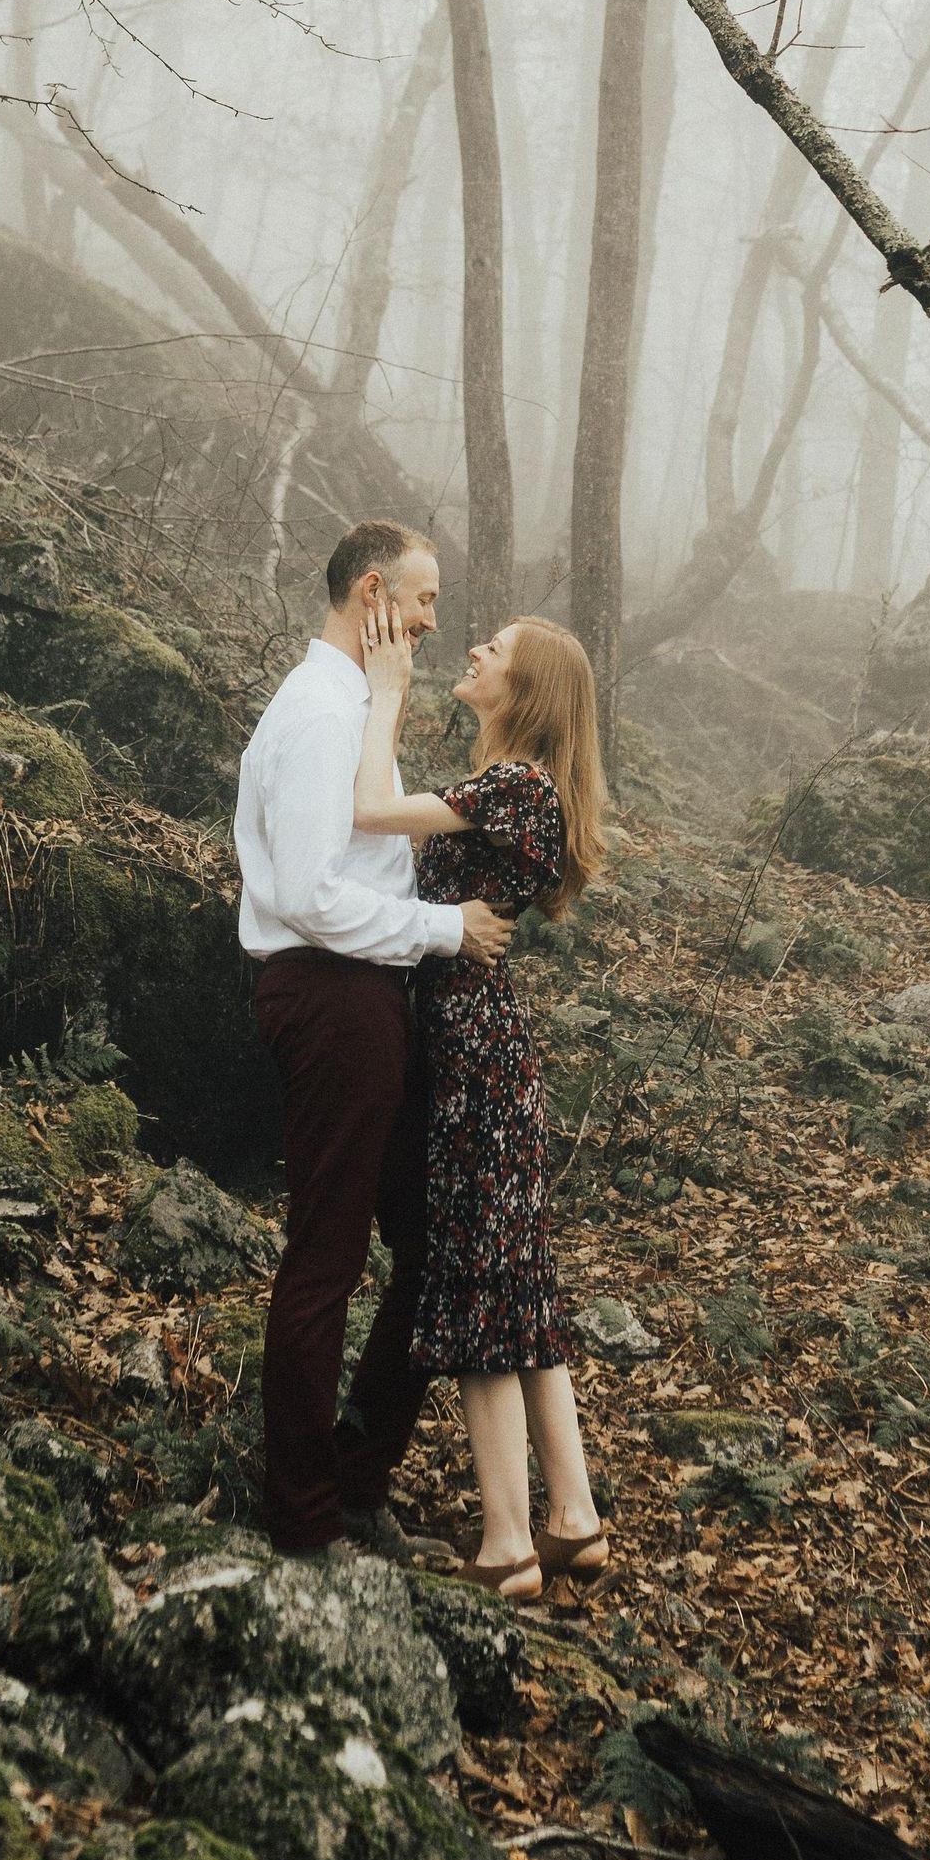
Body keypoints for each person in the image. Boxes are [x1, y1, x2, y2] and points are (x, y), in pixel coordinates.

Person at [234, 519, 513, 1558]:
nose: (435, 620)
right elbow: (311, 895)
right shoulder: (318, 712)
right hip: (332, 996)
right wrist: (447, 928)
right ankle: (306, 1522)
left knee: (431, 1245)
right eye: (423, 598)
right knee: (328, 1257)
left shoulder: (354, 704)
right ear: (372, 594)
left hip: (368, 997)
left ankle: (356, 1481)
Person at [349, 607, 613, 1602]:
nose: (475, 650)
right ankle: (573, 1519)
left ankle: (507, 1542)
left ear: (526, 690)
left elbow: (371, 810)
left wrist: (385, 692)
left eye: (494, 650)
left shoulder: (514, 787)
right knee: (519, 1281)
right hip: (485, 1048)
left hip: (471, 1059)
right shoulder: (519, 788)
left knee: (476, 1287)